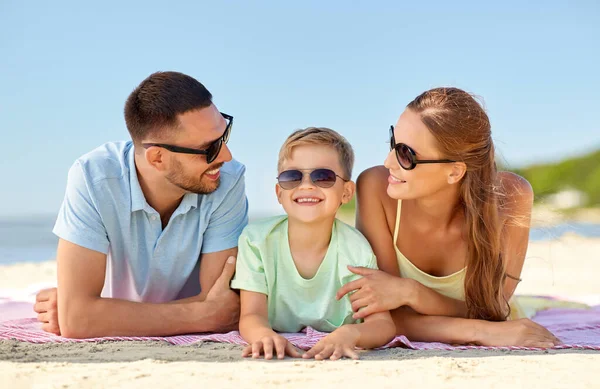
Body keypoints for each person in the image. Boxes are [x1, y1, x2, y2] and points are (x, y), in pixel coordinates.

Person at [336, 87, 561, 348]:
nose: (388, 162)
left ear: (454, 172)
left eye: (406, 154)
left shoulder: (512, 197)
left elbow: (495, 310)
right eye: (392, 143)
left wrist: (411, 293)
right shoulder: (375, 187)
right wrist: (482, 332)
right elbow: (386, 318)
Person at [33, 71, 247, 338]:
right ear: (157, 158)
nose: (226, 156)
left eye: (224, 135)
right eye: (209, 149)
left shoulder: (226, 178)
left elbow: (226, 306)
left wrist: (100, 315)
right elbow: (78, 320)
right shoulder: (93, 177)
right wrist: (202, 314)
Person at [231, 127, 396, 360]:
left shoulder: (356, 248)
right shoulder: (257, 240)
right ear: (279, 192)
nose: (306, 185)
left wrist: (352, 333)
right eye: (292, 177)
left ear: (347, 192)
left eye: (323, 177)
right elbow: (251, 315)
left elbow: (382, 324)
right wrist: (263, 335)